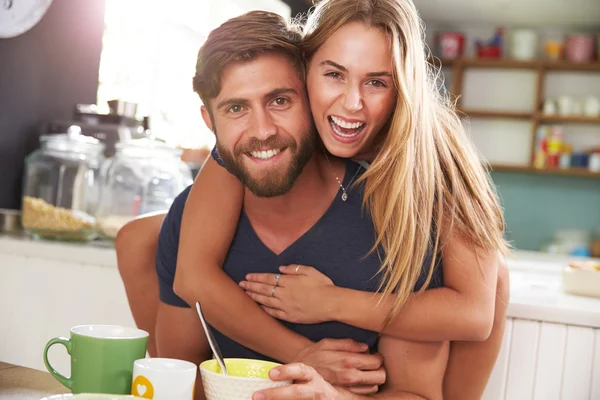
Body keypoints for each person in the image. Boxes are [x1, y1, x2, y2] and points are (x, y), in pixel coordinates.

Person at [117, 0, 511, 398]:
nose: (351, 103)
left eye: (377, 81)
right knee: (142, 237)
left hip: (419, 291)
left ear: (403, 86)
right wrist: (303, 352)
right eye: (335, 74)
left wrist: (331, 302)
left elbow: (476, 315)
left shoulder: (431, 157)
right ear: (306, 70)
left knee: (493, 273)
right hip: (293, 220)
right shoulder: (256, 138)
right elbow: (193, 272)